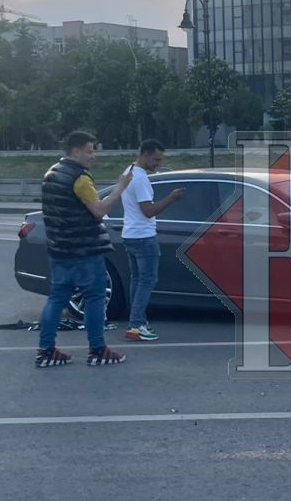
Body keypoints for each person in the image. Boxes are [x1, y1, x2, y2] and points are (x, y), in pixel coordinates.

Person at [35, 131, 132, 369]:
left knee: (57, 299)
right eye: (90, 151)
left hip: (60, 249)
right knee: (95, 298)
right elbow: (98, 210)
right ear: (76, 151)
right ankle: (98, 349)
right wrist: (120, 188)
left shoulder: (51, 173)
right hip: (85, 250)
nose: (93, 156)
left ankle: (46, 350)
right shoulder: (80, 179)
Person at [120, 140, 185, 342]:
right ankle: (137, 324)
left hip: (129, 234)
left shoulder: (128, 171)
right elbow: (148, 211)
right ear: (146, 155)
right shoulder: (140, 179)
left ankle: (137, 321)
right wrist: (171, 198)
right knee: (147, 281)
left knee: (137, 280)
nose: (158, 163)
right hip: (143, 236)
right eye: (156, 159)